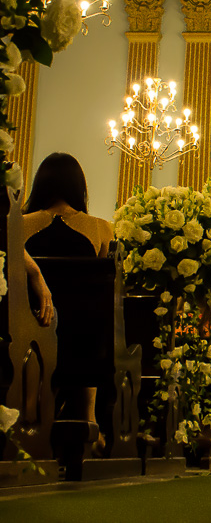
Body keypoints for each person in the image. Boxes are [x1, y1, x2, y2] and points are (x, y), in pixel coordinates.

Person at [22, 153, 114, 428]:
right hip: (83, 341)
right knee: (96, 321)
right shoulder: (101, 228)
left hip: (31, 329)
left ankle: (29, 413)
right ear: (79, 186)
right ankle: (88, 417)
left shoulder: (19, 226)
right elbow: (107, 282)